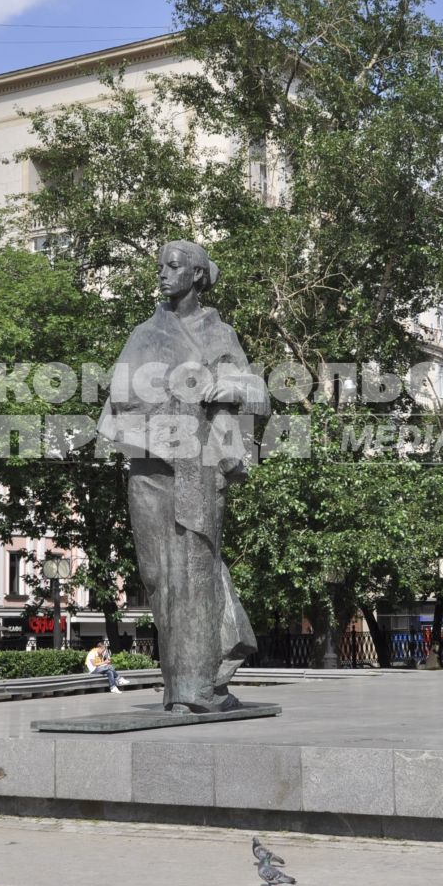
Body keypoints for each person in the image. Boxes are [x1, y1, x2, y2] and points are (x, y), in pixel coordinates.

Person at [99, 240, 267, 713]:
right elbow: (119, 398)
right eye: (160, 268)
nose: (163, 275)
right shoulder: (144, 333)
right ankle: (190, 685)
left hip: (199, 468)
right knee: (158, 578)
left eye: (173, 267)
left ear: (196, 275)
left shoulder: (219, 334)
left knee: (195, 571)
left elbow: (258, 393)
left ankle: (197, 688)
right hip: (149, 469)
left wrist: (227, 385)